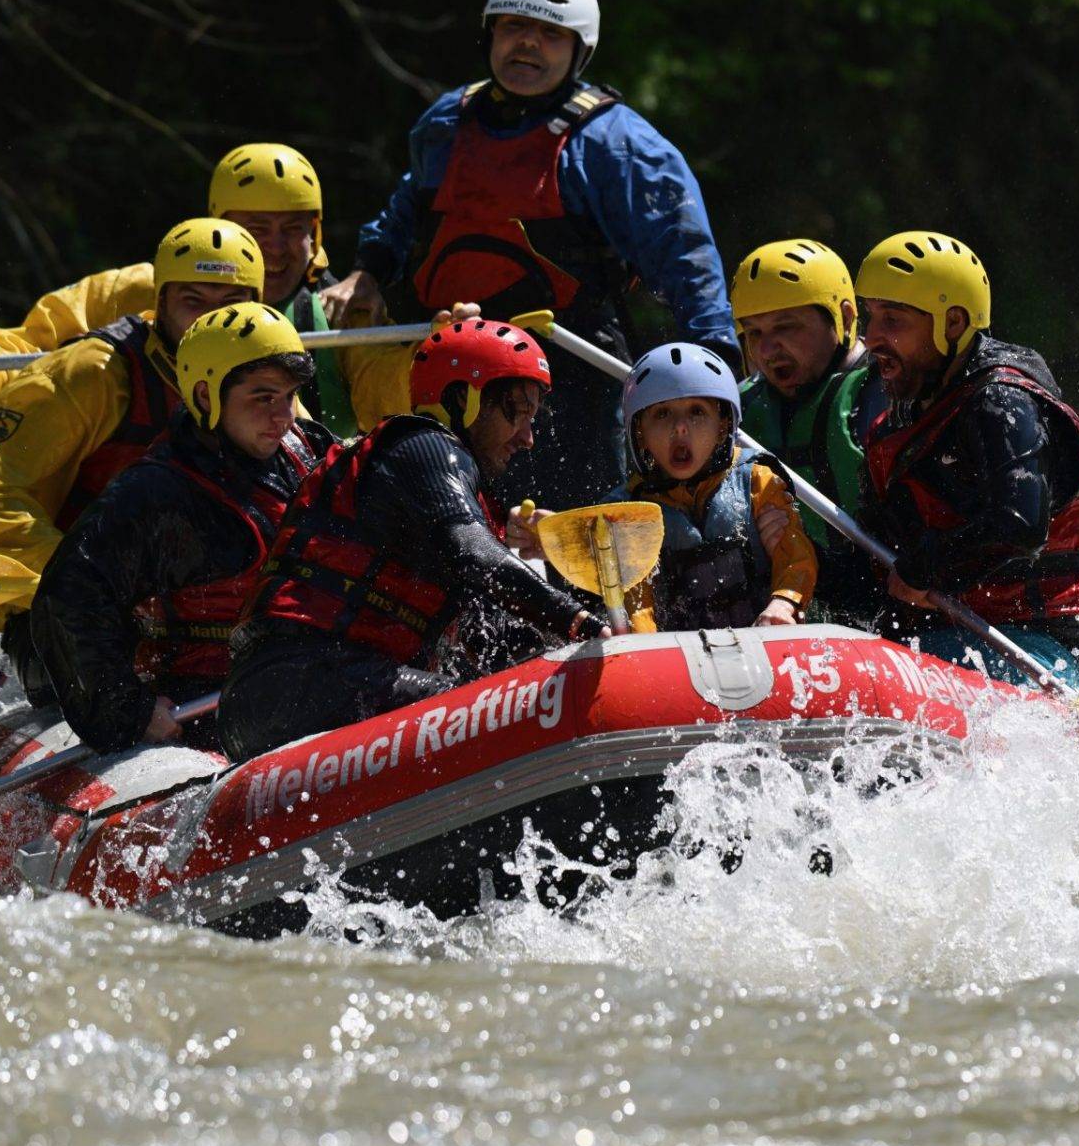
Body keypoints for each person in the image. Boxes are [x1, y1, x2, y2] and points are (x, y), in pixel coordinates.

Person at [323, 0, 737, 508]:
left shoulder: (615, 143)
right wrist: (367, 270)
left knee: (563, 535)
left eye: (550, 33)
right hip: (446, 368)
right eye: (515, 26)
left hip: (565, 374)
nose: (528, 43)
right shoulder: (447, 123)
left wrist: (714, 357)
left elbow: (684, 254)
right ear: (491, 33)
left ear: (579, 51)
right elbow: (406, 211)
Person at [221, 318, 606, 762]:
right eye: (515, 411)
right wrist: (583, 624)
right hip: (291, 683)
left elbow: (500, 635)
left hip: (332, 680)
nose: (527, 436)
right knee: (488, 711)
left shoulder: (466, 503)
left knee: (501, 691)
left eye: (533, 416)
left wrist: (584, 650)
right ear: (462, 399)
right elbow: (478, 557)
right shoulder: (418, 446)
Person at [0, 218, 264, 702]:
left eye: (229, 307)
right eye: (193, 303)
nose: (209, 326)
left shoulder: (268, 388)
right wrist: (93, 590)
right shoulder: (88, 374)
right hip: (66, 613)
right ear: (160, 303)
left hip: (196, 618)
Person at [29, 304, 332, 753]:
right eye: (263, 398)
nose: (284, 416)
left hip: (312, 670)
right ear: (207, 397)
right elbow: (67, 599)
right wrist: (127, 710)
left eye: (289, 396)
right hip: (212, 702)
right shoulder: (157, 494)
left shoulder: (304, 448)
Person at [0, 144, 355, 432]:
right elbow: (31, 349)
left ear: (315, 233)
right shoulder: (140, 289)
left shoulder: (346, 313)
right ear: (221, 225)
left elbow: (397, 388)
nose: (274, 249)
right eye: (256, 229)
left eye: (292, 229)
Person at [854, 231, 1079, 686]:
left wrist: (925, 568)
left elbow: (1019, 523)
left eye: (893, 320)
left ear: (952, 324)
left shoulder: (1001, 403)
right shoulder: (900, 417)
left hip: (1032, 645)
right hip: (943, 633)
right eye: (870, 316)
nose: (871, 337)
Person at [554, 342, 816, 632]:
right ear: (640, 435)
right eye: (663, 414)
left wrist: (783, 604)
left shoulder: (759, 481)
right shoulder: (626, 513)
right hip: (677, 655)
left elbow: (796, 560)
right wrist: (643, 644)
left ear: (722, 427)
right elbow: (638, 606)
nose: (680, 427)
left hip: (765, 637)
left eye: (697, 412)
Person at [731, 238, 886, 624]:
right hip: (789, 597)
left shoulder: (886, 392)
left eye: (786, 327)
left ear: (845, 318)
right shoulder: (740, 409)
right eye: (754, 333)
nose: (767, 350)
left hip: (888, 594)